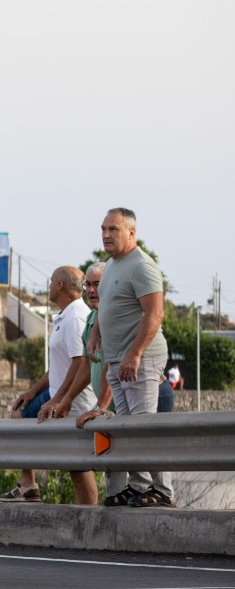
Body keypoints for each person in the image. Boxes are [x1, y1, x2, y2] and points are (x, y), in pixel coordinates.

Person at [75, 208, 171, 507]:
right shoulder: (113, 266)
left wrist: (135, 354)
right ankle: (140, 485)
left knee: (144, 426)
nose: (106, 235)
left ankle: (163, 490)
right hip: (115, 360)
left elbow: (155, 313)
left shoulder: (141, 266)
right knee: (127, 427)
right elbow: (104, 309)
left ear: (131, 232)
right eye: (103, 229)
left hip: (140, 360)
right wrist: (94, 338)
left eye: (113, 229)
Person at [4, 266, 98, 503]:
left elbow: (79, 363)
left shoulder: (76, 317)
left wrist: (59, 401)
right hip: (56, 395)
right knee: (20, 411)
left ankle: (90, 519)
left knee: (78, 466)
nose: (48, 286)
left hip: (74, 400)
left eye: (51, 281)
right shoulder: (65, 315)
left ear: (60, 286)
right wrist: (34, 391)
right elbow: (60, 363)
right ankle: (27, 484)